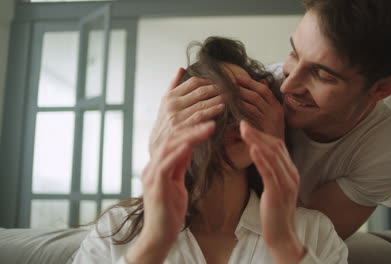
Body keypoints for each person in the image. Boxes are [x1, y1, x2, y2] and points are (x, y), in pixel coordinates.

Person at [149, 0, 391, 239]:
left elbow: (310, 239)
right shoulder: (263, 88)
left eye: (323, 75)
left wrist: (276, 149)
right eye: (294, 53)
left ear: (382, 89)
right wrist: (160, 143)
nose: (287, 86)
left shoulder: (390, 146)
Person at [73, 37, 348, 264]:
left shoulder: (313, 231)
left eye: (246, 102)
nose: (233, 119)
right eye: (210, 102)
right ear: (174, 123)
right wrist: (152, 244)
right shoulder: (115, 229)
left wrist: (287, 248)